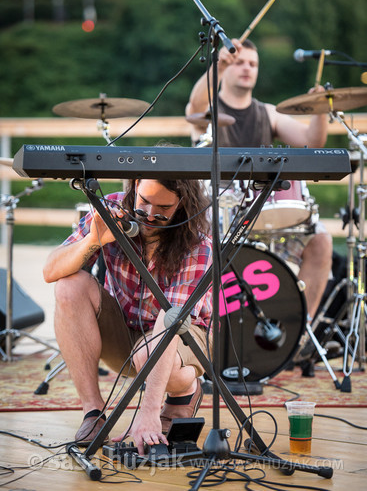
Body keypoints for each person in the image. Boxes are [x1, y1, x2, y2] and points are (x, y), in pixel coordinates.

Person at [43, 178, 213, 455]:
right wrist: (93, 240)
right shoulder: (110, 207)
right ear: (134, 186)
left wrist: (149, 412)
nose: (149, 214)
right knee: (69, 284)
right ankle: (93, 413)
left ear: (183, 204)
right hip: (124, 332)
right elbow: (51, 271)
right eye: (144, 201)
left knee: (147, 354)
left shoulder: (198, 243)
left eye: (163, 208)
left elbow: (170, 320)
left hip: (181, 336)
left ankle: (184, 392)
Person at [186, 37, 332, 321]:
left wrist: (320, 109)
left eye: (253, 63)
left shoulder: (268, 113)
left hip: (266, 211)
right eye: (239, 61)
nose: (246, 68)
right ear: (226, 67)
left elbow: (312, 142)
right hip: (218, 216)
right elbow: (195, 105)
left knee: (322, 241)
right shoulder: (207, 111)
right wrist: (216, 64)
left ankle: (297, 334)